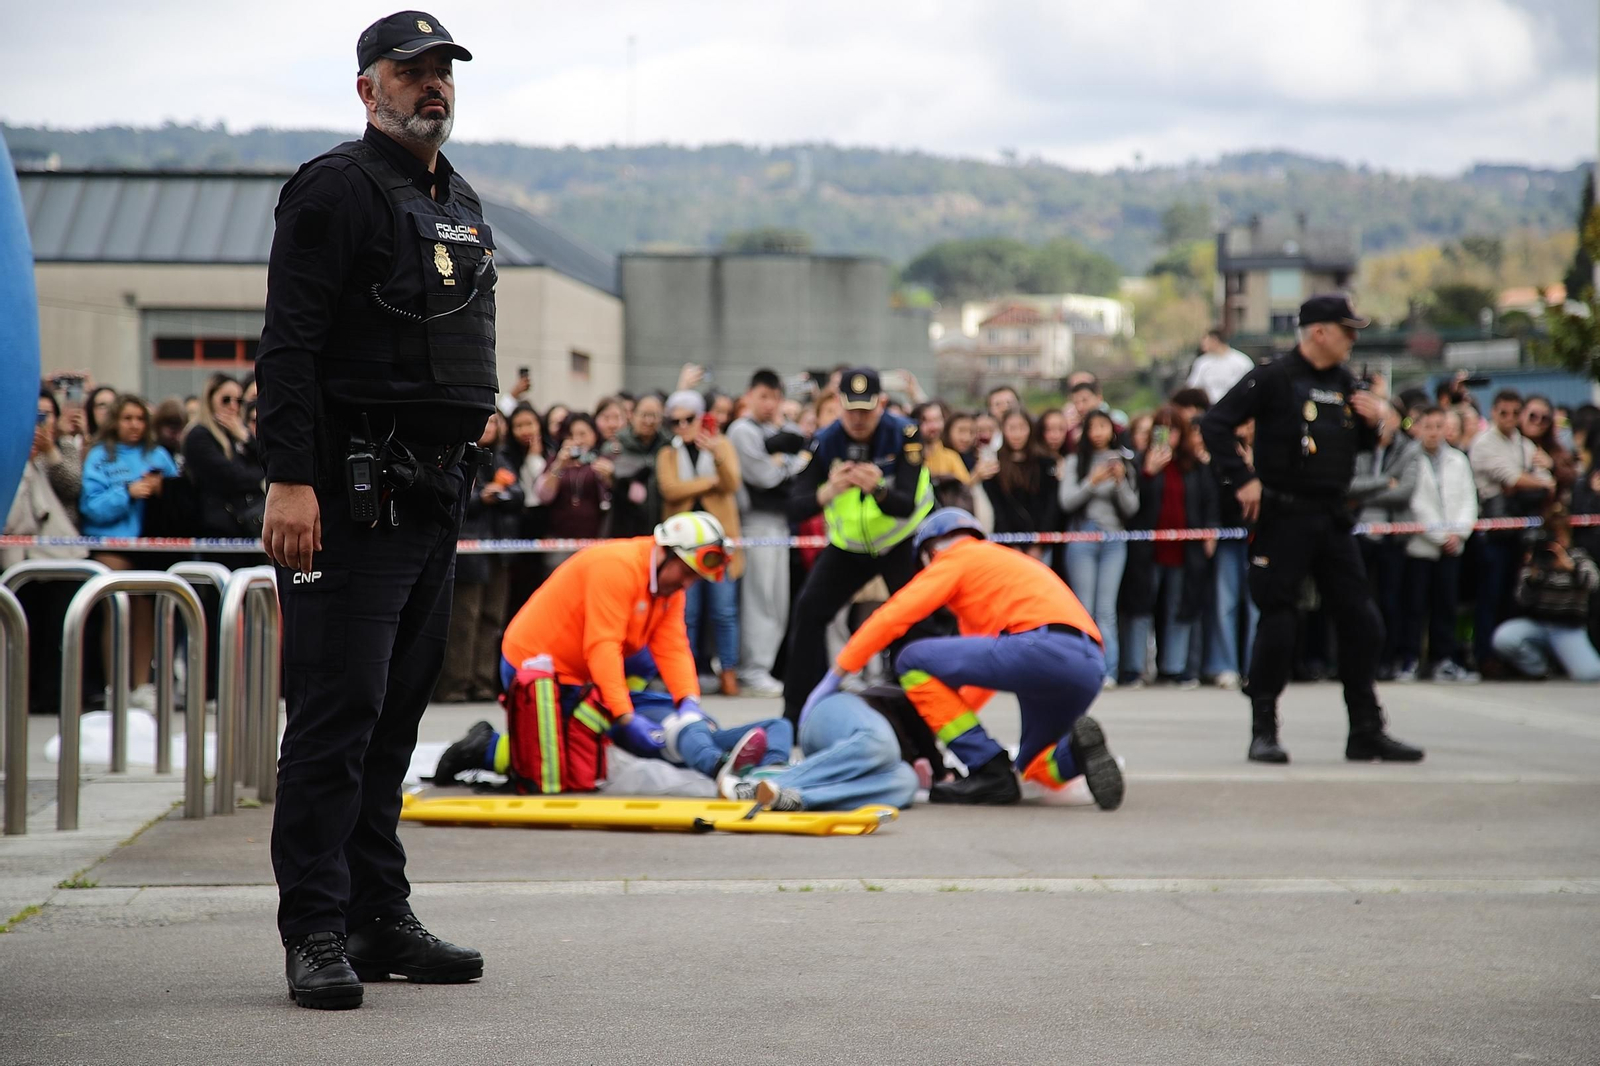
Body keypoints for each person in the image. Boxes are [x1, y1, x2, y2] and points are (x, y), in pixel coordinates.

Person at [254, 12, 489, 1009]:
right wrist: (290, 478)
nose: (430, 84)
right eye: (410, 71)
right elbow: (289, 344)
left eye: (440, 71)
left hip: (433, 494)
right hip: (345, 499)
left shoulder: (458, 198)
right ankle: (314, 924)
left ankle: (376, 912)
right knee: (333, 718)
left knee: (394, 719)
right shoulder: (333, 189)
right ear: (367, 88)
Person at [1199, 295, 1424, 765]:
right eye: (1347, 330)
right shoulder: (1274, 377)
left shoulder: (1346, 382)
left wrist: (1373, 423)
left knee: (1361, 621)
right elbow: (1214, 424)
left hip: (1333, 518)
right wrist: (1242, 480)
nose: (1353, 339)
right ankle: (1264, 730)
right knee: (1279, 622)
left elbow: (1354, 444)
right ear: (1319, 332)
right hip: (1282, 518)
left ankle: (1365, 730)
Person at [800, 508, 1123, 809]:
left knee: (912, 659)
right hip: (1088, 662)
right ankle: (1077, 752)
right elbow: (978, 680)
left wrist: (837, 674)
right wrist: (943, 726)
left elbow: (892, 617)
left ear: (931, 552)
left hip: (1039, 649)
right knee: (1034, 767)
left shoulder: (954, 558)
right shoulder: (1003, 565)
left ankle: (988, 768)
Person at [433, 512, 730, 786]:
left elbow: (673, 647)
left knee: (594, 742)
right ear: (667, 551)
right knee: (558, 770)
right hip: (536, 670)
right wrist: (625, 717)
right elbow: (603, 647)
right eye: (687, 573)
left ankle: (588, 732)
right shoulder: (618, 567)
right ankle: (484, 749)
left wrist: (688, 701)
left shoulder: (667, 588)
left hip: (580, 674)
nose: (688, 584)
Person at [783, 368, 935, 725]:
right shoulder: (824, 441)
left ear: (881, 405)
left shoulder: (905, 435)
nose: (858, 419)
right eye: (851, 410)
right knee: (808, 613)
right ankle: (796, 715)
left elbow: (905, 504)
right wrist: (827, 491)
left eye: (866, 410)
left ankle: (920, 712)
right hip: (849, 547)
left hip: (900, 541)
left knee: (915, 621)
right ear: (838, 404)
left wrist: (878, 489)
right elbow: (794, 504)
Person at [80, 394, 179, 709]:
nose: (134, 424)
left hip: (151, 547)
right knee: (116, 607)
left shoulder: (159, 455)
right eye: (127, 418)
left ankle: (141, 685)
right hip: (112, 544)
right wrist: (128, 492)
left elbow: (180, 499)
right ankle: (114, 685)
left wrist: (164, 491)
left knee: (145, 611)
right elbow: (91, 506)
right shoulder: (99, 456)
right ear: (114, 421)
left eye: (140, 418)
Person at [658, 389, 744, 696]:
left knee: (724, 611)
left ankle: (729, 673)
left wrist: (716, 457)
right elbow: (670, 490)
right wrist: (709, 483)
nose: (682, 426)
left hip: (718, 542)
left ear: (701, 417)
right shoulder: (668, 453)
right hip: (682, 549)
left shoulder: (721, 446)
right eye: (675, 421)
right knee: (687, 614)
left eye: (689, 419)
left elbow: (732, 483)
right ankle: (685, 675)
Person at [727, 370, 807, 697]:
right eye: (763, 396)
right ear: (748, 396)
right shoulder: (741, 430)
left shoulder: (779, 427)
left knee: (778, 600)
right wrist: (790, 466)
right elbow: (765, 478)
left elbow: (802, 454)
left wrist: (786, 463)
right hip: (753, 522)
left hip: (780, 523)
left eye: (775, 397)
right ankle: (752, 669)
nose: (769, 403)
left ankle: (765, 666)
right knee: (759, 597)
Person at [1128, 406, 1217, 689]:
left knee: (1179, 607)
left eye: (1173, 429)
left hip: (1183, 550)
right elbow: (1130, 505)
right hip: (1148, 549)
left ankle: (1174, 667)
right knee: (1141, 606)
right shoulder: (1141, 462)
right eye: (1161, 429)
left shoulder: (1196, 466)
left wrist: (1210, 532)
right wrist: (1148, 472)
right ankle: (1135, 668)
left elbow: (1209, 502)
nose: (1168, 436)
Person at [436, 414, 523, 702]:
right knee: (465, 619)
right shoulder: (460, 454)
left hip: (499, 552)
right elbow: (451, 495)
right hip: (470, 549)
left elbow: (520, 494)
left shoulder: (502, 458)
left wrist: (504, 495)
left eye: (496, 422)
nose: (491, 427)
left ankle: (484, 681)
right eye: (486, 420)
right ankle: (456, 683)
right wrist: (480, 499)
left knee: (492, 619)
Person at [1470, 391, 1556, 673]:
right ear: (1493, 413)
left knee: (1511, 596)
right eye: (1503, 412)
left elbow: (1547, 480)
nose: (1509, 418)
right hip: (1493, 533)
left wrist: (1528, 481)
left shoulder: (1523, 444)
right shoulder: (1484, 443)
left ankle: (1505, 657)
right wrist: (1525, 480)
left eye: (1514, 412)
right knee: (1489, 596)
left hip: (1518, 532)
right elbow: (1513, 478)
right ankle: (1484, 656)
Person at [1059, 409, 1138, 689]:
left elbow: (1132, 508)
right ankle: (1083, 669)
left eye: (1103, 426)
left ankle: (1109, 671)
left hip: (1114, 539)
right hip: (1082, 537)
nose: (1098, 432)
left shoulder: (1123, 462)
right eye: (1092, 427)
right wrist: (1091, 482)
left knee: (1106, 610)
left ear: (1112, 430)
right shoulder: (1073, 462)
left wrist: (1118, 482)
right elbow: (1067, 501)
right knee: (1084, 608)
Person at [1401, 406, 1479, 682]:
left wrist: (1458, 533)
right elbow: (1415, 503)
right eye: (1428, 426)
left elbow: (1468, 499)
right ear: (1419, 428)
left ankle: (1442, 660)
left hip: (1453, 545)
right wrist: (1438, 534)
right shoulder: (1410, 458)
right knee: (1415, 605)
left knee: (1446, 606)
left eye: (1438, 426)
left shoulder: (1458, 460)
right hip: (1421, 545)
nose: (1433, 432)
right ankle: (1409, 659)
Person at [1348, 399, 1418, 681]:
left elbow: (1404, 492)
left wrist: (1365, 492)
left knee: (1391, 601)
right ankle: (1357, 660)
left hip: (1392, 534)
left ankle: (1388, 659)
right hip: (1360, 532)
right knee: (1359, 601)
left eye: (1385, 418)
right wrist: (1385, 482)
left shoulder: (1409, 449)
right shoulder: (1359, 445)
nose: (1380, 424)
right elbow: (1348, 485)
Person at [1491, 504, 1600, 681]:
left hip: (1568, 628)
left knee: (1590, 675)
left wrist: (1571, 569)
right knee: (1504, 638)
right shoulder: (1537, 559)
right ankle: (1539, 668)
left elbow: (1593, 584)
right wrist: (1533, 577)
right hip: (1539, 625)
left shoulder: (1578, 557)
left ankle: (1568, 659)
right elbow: (1521, 599)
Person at [183, 373, 265, 539]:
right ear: (210, 400)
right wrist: (260, 478)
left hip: (241, 526)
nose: (233, 406)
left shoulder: (235, 435)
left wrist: (247, 438)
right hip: (214, 529)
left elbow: (266, 462)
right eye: (226, 400)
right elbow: (231, 476)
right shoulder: (199, 435)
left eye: (239, 401)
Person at [983, 409, 1059, 560]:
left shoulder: (1045, 463)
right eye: (1012, 428)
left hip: (1040, 543)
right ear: (1003, 430)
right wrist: (1011, 544)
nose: (1017, 434)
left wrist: (1039, 544)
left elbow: (1051, 505)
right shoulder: (994, 464)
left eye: (1022, 428)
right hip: (1007, 545)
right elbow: (997, 508)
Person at [537, 413, 614, 562]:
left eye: (583, 434)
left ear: (594, 435)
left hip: (595, 539)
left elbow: (614, 496)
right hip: (559, 540)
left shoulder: (602, 460)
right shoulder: (555, 460)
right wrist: (559, 465)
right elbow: (543, 496)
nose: (577, 440)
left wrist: (610, 477)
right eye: (571, 435)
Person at [603, 393, 668, 539]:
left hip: (660, 526)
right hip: (624, 525)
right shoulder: (615, 447)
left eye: (654, 415)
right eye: (644, 415)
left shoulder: (668, 446)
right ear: (632, 415)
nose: (649, 421)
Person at [1186, 328, 1255, 405]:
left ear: (1214, 340)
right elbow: (1193, 387)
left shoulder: (1242, 362)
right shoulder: (1201, 362)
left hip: (1234, 406)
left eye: (1206, 340)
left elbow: (1251, 386)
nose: (1202, 344)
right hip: (1209, 408)